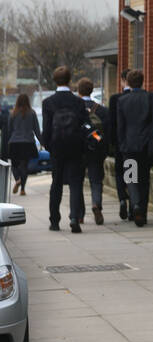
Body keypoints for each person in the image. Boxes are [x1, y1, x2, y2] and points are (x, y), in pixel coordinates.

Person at [41, 66, 90, 232]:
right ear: (70, 81)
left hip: (57, 148)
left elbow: (46, 130)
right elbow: (86, 126)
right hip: (75, 147)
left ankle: (54, 221)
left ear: (55, 81)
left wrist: (49, 146)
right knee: (76, 183)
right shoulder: (78, 102)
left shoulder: (48, 103)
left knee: (56, 184)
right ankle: (75, 217)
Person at [115, 69, 153, 227]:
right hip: (147, 146)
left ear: (127, 82)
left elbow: (120, 126)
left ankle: (135, 204)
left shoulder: (122, 101)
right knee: (144, 179)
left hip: (129, 147)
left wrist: (121, 144)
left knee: (131, 177)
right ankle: (142, 212)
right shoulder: (152, 98)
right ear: (143, 81)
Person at [77, 78, 109, 225]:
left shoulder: (75, 108)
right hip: (96, 151)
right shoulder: (101, 110)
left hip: (80, 151)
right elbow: (107, 132)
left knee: (77, 181)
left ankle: (80, 214)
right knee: (96, 180)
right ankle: (96, 205)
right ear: (91, 91)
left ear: (79, 91)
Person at [108, 70, 132, 219]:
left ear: (123, 80)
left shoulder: (115, 99)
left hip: (119, 144)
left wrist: (112, 143)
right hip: (133, 145)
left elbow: (111, 123)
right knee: (131, 174)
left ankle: (122, 198)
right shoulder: (140, 97)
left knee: (119, 173)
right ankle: (132, 203)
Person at [7, 93, 42, 196]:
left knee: (14, 165)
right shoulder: (32, 113)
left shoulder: (12, 113)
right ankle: (22, 189)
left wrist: (9, 141)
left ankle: (17, 179)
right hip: (28, 142)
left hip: (15, 142)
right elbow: (36, 130)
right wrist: (42, 142)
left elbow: (9, 130)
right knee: (24, 166)